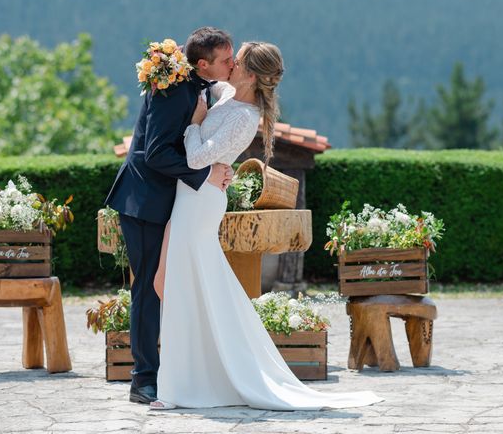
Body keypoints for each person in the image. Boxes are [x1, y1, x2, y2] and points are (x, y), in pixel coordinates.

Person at [150, 41, 383, 410]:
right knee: (184, 285)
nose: (230, 64)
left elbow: (196, 157)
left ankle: (179, 388)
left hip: (200, 203)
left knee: (183, 285)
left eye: (236, 60)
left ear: (251, 74)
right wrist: (168, 64)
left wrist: (195, 123)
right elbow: (199, 77)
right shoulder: (225, 91)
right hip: (189, 197)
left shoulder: (245, 118)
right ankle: (190, 381)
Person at [104, 27, 235, 405]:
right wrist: (205, 174)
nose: (233, 64)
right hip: (145, 204)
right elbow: (156, 153)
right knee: (148, 287)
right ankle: (143, 381)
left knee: (172, 286)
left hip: (173, 202)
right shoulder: (173, 89)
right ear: (203, 63)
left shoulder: (198, 84)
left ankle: (179, 371)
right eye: (227, 60)